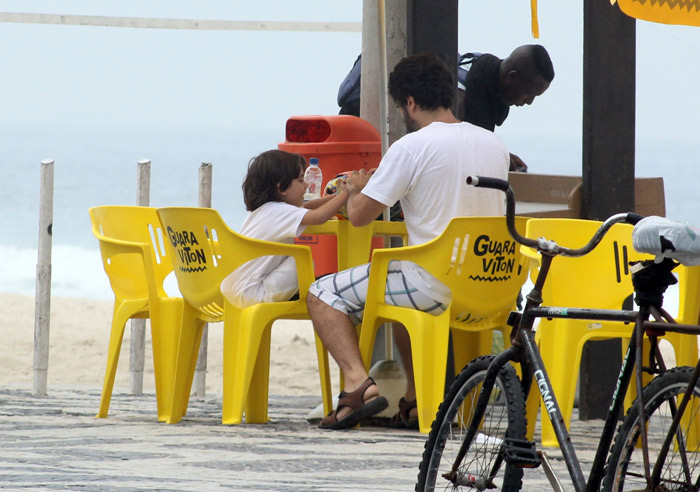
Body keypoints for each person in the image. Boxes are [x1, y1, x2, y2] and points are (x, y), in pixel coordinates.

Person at [309, 52, 510, 430]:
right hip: (490, 285)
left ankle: (358, 384)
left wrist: (355, 187)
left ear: (411, 103)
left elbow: (359, 217)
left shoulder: (411, 147)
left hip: (436, 285)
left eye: (402, 106)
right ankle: (417, 401)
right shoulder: (493, 145)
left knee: (321, 294)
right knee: (401, 287)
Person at [220, 150, 349, 309]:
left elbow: (307, 207)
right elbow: (319, 216)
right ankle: (315, 293)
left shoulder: (264, 211)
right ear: (281, 188)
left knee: (297, 261)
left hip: (232, 291)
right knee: (302, 262)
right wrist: (348, 192)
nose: (307, 185)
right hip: (252, 293)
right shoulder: (278, 211)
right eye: (301, 180)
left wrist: (337, 197)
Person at [458, 44, 555, 172]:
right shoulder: (458, 96)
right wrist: (497, 158)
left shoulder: (485, 77)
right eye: (528, 93)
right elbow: (454, 150)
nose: (529, 102)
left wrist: (502, 157)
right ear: (512, 77)